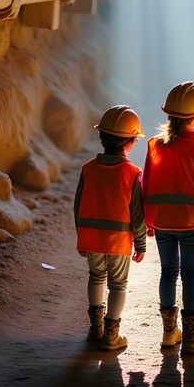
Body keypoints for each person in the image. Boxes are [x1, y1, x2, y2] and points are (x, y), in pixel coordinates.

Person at [142, 81, 194, 354]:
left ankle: (168, 334)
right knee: (190, 275)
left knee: (168, 273)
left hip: (161, 220)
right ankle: (191, 339)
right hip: (192, 222)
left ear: (168, 115)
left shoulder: (153, 145)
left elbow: (145, 184)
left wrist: (148, 220)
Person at [74, 105, 147, 351]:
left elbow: (78, 206)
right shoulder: (132, 173)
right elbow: (137, 215)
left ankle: (96, 330)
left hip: (91, 237)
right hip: (119, 240)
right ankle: (111, 336)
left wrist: (81, 237)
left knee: (96, 277)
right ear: (132, 141)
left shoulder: (88, 169)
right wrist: (141, 243)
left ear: (101, 136)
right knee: (118, 285)